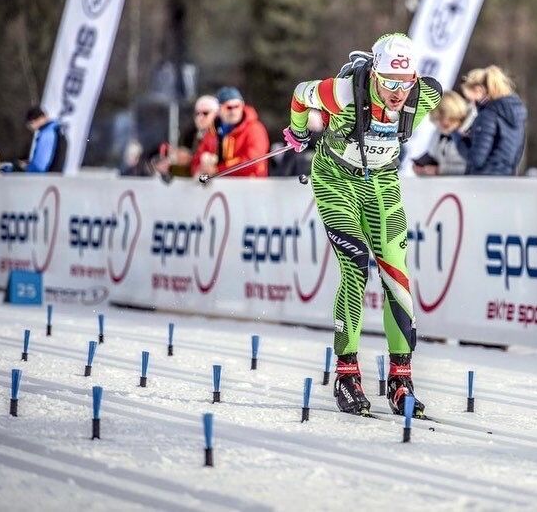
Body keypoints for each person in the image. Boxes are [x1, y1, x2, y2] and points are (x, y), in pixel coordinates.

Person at [282, 32, 442, 417]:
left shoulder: (426, 94)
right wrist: (298, 131)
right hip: (335, 181)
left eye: (405, 84)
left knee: (396, 273)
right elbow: (301, 94)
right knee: (355, 265)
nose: (397, 94)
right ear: (373, 75)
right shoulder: (342, 93)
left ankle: (401, 380)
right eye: (389, 83)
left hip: (381, 183)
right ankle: (347, 374)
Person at [456, 65, 527, 175]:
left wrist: (458, 138)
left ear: (478, 90)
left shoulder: (488, 115)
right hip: (507, 176)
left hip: (484, 178)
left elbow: (477, 159)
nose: (472, 104)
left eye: (471, 99)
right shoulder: (515, 114)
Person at [191, 86, 270, 178]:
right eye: (228, 107)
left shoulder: (254, 128)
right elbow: (197, 160)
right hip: (220, 183)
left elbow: (254, 160)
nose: (233, 111)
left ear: (242, 105)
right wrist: (202, 167)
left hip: (250, 183)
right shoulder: (212, 131)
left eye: (237, 106)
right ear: (220, 109)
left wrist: (218, 169)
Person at [412, 90, 476, 176]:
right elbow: (434, 154)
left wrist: (440, 170)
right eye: (436, 119)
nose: (440, 124)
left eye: (442, 118)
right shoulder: (440, 132)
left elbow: (473, 166)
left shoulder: (474, 130)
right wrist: (422, 166)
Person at [21, 107, 66, 173]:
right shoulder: (56, 130)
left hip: (44, 177)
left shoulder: (47, 134)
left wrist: (25, 168)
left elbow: (40, 166)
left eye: (31, 124)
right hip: (54, 176)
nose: (32, 128)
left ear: (35, 121)